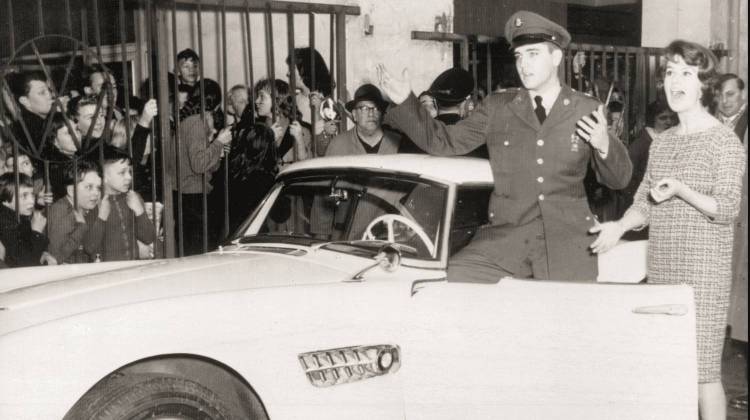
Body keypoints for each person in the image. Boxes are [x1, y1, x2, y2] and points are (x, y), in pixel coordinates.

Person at [378, 10, 631, 282]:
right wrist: (406, 101)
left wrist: (604, 145)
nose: (524, 64)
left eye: (533, 54)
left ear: (556, 57)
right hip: (508, 237)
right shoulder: (499, 108)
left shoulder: (586, 109)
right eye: (519, 56)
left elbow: (620, 179)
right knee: (457, 278)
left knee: (561, 316)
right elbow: (444, 142)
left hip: (567, 240)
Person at [590, 40, 746, 420]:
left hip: (704, 273)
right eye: (670, 72)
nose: (675, 81)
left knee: (704, 373)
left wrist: (681, 190)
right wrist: (619, 226)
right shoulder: (664, 143)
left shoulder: (724, 141)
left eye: (686, 73)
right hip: (663, 267)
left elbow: (727, 209)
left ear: (703, 85)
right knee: (666, 367)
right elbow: (644, 201)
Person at [714, 73, 748, 410]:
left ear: (743, 94)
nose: (725, 101)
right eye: (721, 95)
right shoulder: (714, 124)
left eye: (731, 94)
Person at [174, 97, 233, 256]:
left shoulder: (194, 124)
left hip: (194, 193)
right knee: (199, 252)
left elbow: (207, 168)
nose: (213, 132)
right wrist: (218, 142)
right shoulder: (197, 123)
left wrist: (217, 152)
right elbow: (199, 165)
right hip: (192, 196)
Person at [85, 146, 155, 261]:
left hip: (132, 267)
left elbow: (149, 238)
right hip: (105, 271)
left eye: (129, 172)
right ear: (104, 177)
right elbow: (89, 247)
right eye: (122, 173)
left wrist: (140, 212)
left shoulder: (133, 198)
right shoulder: (92, 202)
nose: (129, 177)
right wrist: (101, 217)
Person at [47, 159, 101, 264]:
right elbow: (54, 258)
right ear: (71, 191)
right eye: (89, 187)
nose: (96, 193)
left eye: (98, 188)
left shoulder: (86, 208)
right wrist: (81, 228)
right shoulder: (61, 210)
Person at [325, 83, 402, 156]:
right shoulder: (338, 145)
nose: (371, 113)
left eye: (376, 108)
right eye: (364, 108)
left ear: (381, 113)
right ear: (354, 114)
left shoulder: (399, 144)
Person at [0, 172, 55, 267]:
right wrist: (36, 232)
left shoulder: (19, 216)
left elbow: (28, 249)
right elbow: (25, 264)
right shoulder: (4, 223)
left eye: (32, 194)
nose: (32, 201)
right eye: (24, 196)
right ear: (5, 200)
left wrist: (43, 254)